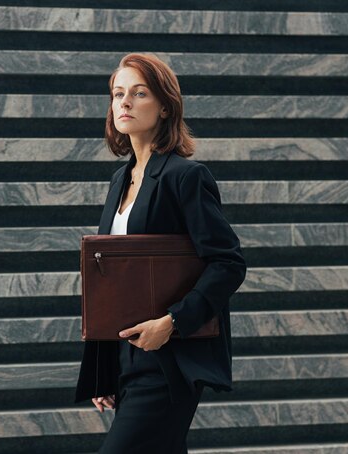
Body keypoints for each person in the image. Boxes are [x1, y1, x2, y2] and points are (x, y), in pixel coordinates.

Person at [74, 53, 247, 453]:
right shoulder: (121, 179)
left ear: (165, 105)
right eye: (118, 94)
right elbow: (113, 280)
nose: (125, 103)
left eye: (139, 93)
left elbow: (228, 263)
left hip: (169, 363)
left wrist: (172, 322)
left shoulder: (185, 176)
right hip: (126, 361)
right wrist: (104, 370)